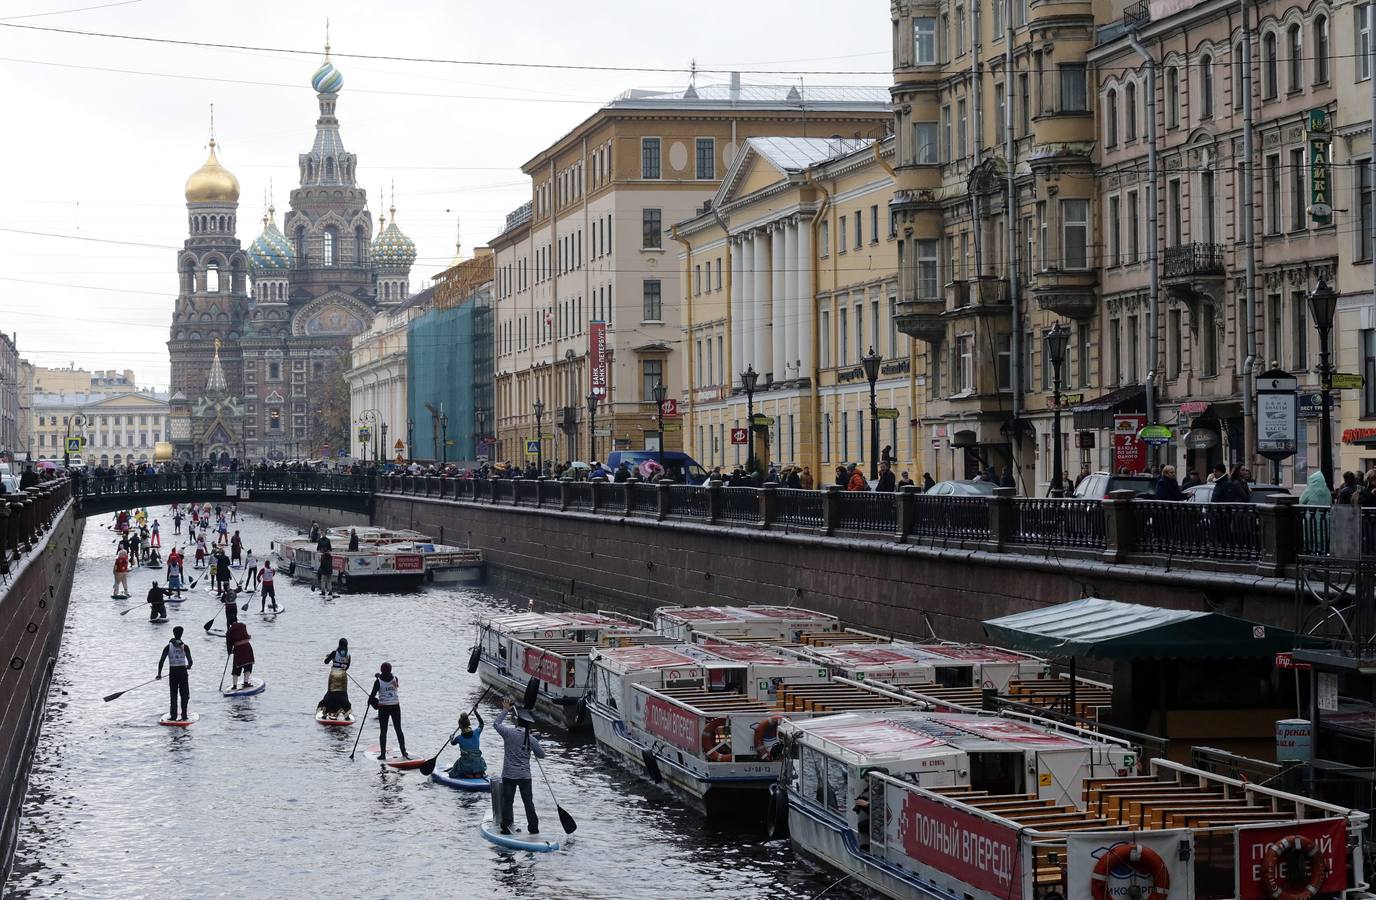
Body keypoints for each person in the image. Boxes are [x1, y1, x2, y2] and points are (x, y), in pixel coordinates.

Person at [494, 698, 546, 835]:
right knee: (528, 803)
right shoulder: (531, 739)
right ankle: (533, 829)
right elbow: (542, 755)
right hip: (525, 776)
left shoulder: (508, 733)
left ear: (517, 722)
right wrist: (533, 745)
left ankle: (505, 827)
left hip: (509, 775)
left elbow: (496, 724)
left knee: (508, 801)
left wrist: (506, 709)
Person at [368, 662, 408, 759]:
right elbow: (392, 682)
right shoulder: (395, 679)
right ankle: (404, 752)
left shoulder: (378, 682)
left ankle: (383, 754)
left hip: (383, 707)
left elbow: (372, 695)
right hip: (395, 706)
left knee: (383, 731)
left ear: (381, 670)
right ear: (390, 670)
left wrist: (370, 701)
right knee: (398, 729)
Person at [156, 626, 194, 721]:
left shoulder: (168, 647)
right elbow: (190, 662)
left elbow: (161, 661)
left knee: (173, 694)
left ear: (174, 633)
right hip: (182, 672)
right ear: (182, 634)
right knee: (184, 694)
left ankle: (173, 716)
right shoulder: (185, 647)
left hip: (172, 672)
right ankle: (184, 715)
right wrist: (188, 666)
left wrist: (159, 674)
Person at [447, 710, 487, 779]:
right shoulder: (477, 732)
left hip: (466, 766)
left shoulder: (458, 738)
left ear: (460, 726)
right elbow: (481, 724)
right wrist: (476, 712)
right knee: (475, 760)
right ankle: (477, 773)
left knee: (458, 764)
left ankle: (469, 774)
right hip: (478, 765)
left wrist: (451, 738)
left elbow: (452, 743)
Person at [318, 639, 352, 719]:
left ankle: (325, 714)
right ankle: (346, 715)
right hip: (343, 676)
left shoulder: (334, 653)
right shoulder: (348, 655)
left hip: (334, 675)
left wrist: (330, 657)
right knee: (342, 694)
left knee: (331, 693)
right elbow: (347, 667)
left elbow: (326, 662)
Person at [225, 618, 255, 690]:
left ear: (230, 623)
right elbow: (247, 635)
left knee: (236, 667)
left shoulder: (229, 631)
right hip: (247, 647)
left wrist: (229, 652)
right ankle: (246, 683)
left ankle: (234, 686)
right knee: (248, 664)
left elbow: (229, 643)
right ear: (237, 620)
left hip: (238, 649)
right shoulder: (243, 625)